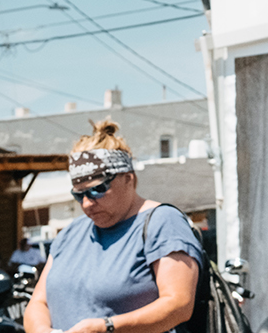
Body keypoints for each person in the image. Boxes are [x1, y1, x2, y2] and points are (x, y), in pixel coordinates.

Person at [24, 121, 201, 333]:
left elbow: (179, 305)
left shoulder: (162, 222)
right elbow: (38, 302)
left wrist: (107, 327)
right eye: (78, 194)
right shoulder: (71, 233)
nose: (87, 203)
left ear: (129, 178)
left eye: (98, 189)